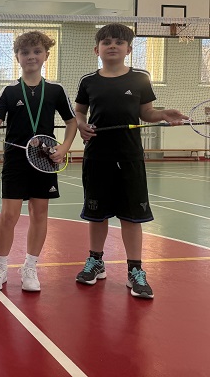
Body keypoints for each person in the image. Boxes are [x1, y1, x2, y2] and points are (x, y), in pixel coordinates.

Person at [74, 23, 187, 299]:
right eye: (106, 42)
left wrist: (163, 114)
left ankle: (135, 270)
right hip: (97, 155)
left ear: (129, 49)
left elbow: (146, 112)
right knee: (97, 213)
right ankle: (95, 261)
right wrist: (81, 124)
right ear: (97, 49)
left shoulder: (140, 78)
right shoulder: (88, 81)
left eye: (119, 42)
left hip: (130, 156)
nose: (112, 46)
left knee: (131, 215)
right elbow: (79, 111)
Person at [0, 31, 77, 292]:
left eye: (37, 51)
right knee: (9, 215)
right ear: (17, 57)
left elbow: (72, 122)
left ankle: (30, 267)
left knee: (39, 213)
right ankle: (0, 267)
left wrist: (64, 147)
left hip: (45, 160)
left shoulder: (56, 90)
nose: (31, 56)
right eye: (25, 52)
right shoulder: (9, 91)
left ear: (46, 55)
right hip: (16, 160)